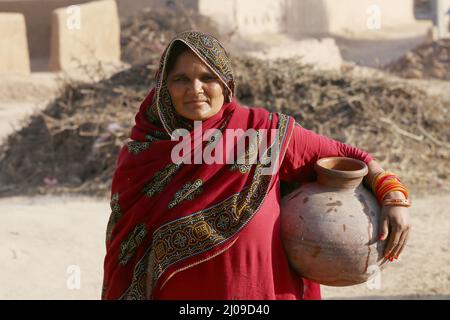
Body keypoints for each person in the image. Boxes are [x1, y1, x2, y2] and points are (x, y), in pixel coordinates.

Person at [102, 31, 411, 300]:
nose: (194, 88)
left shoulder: (262, 133)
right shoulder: (143, 156)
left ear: (225, 84)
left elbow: (352, 156)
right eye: (180, 79)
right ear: (163, 88)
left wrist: (393, 197)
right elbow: (128, 251)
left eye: (207, 77)